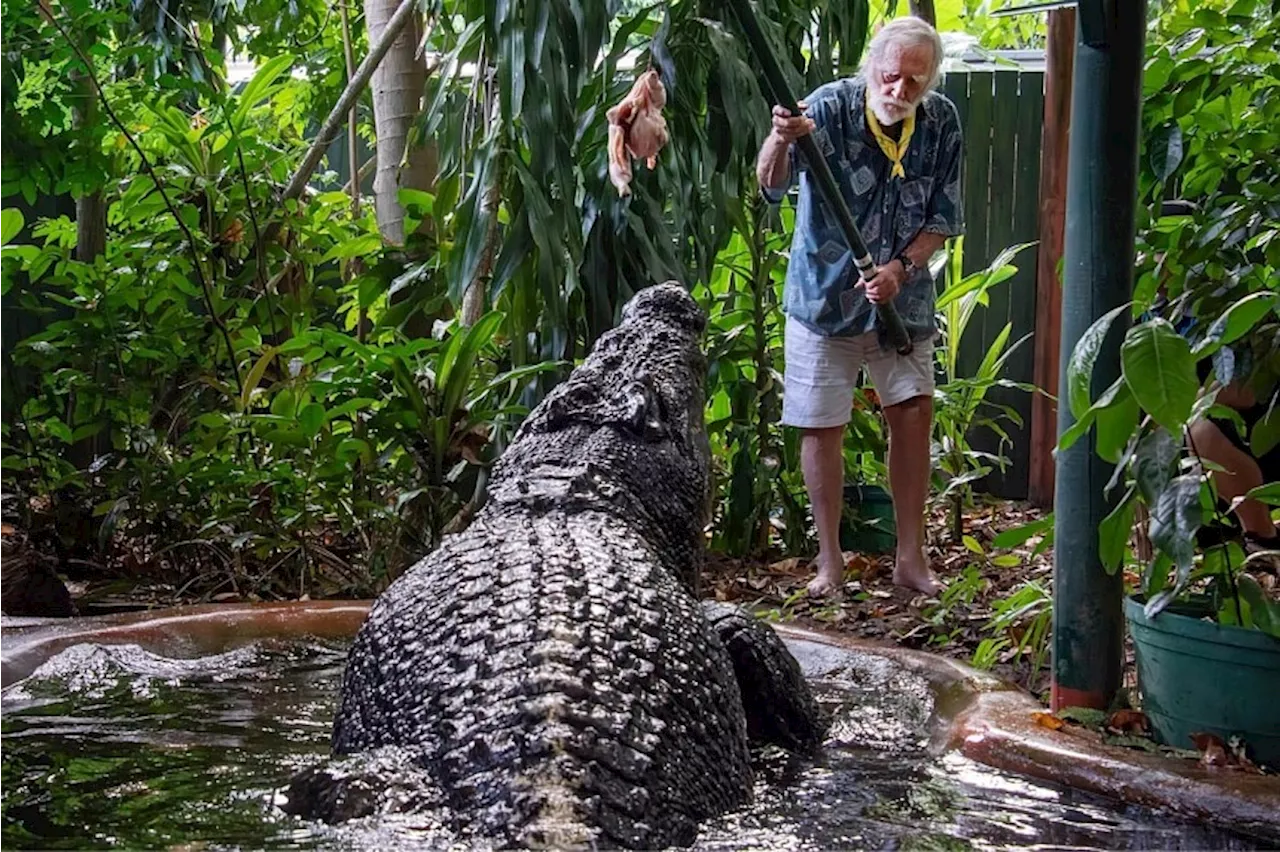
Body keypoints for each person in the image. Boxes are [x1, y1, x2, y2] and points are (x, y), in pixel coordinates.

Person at [755, 16, 964, 597]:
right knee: (822, 425)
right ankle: (829, 564)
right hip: (824, 299)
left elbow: (943, 219)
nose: (899, 91)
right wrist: (780, 136)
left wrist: (902, 268)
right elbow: (769, 185)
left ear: (931, 82)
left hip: (903, 303)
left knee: (914, 414)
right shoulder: (826, 108)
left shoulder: (942, 123)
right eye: (891, 76)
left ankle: (910, 560)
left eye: (914, 83)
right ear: (871, 67)